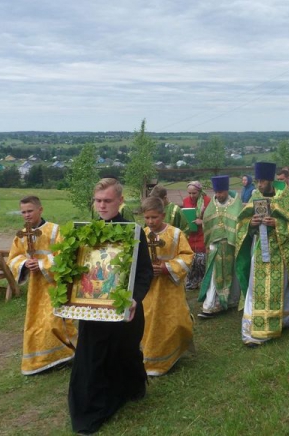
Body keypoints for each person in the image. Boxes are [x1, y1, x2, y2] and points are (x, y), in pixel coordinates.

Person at [68, 178, 153, 435]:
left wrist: (134, 299)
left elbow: (144, 273)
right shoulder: (87, 232)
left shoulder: (133, 232)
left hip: (124, 309)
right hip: (94, 308)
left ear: (120, 201)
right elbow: (79, 271)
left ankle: (133, 387)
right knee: (91, 357)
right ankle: (91, 412)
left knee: (125, 352)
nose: (102, 205)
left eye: (107, 201)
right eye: (98, 201)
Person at [235, 162, 289, 347]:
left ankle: (282, 320)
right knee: (255, 290)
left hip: (280, 251)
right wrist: (252, 223)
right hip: (259, 252)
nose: (259, 185)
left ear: (271, 180)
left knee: (280, 289)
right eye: (257, 181)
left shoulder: (285, 196)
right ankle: (253, 328)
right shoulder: (255, 196)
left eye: (263, 181)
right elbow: (241, 222)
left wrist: (277, 224)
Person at [7, 196, 77, 375]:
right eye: (23, 212)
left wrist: (40, 264)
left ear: (40, 210)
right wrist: (24, 264)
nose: (27, 215)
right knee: (36, 322)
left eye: (30, 211)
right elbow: (13, 258)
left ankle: (64, 354)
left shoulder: (54, 230)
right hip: (35, 287)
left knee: (54, 319)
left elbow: (64, 255)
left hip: (54, 285)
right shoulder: (22, 234)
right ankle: (43, 358)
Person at [141, 197, 194, 375]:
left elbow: (187, 256)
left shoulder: (176, 234)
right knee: (150, 320)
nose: (150, 222)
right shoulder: (141, 234)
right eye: (147, 218)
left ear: (163, 215)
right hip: (149, 288)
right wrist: (148, 269)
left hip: (170, 287)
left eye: (154, 217)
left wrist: (166, 267)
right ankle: (151, 357)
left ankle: (172, 353)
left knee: (174, 319)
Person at [198, 175, 242, 318]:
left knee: (232, 273)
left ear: (227, 190)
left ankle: (231, 300)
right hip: (215, 246)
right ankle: (211, 305)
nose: (218, 195)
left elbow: (239, 222)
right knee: (214, 274)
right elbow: (207, 222)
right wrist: (209, 243)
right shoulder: (212, 204)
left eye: (221, 192)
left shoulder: (235, 203)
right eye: (216, 192)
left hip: (230, 245)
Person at [182, 181, 211, 290]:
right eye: (189, 193)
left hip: (202, 234)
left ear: (199, 191)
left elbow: (212, 219)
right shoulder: (185, 201)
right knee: (191, 260)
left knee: (201, 260)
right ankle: (192, 282)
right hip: (191, 235)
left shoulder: (207, 201)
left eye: (194, 193)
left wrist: (202, 221)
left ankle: (204, 282)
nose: (191, 196)